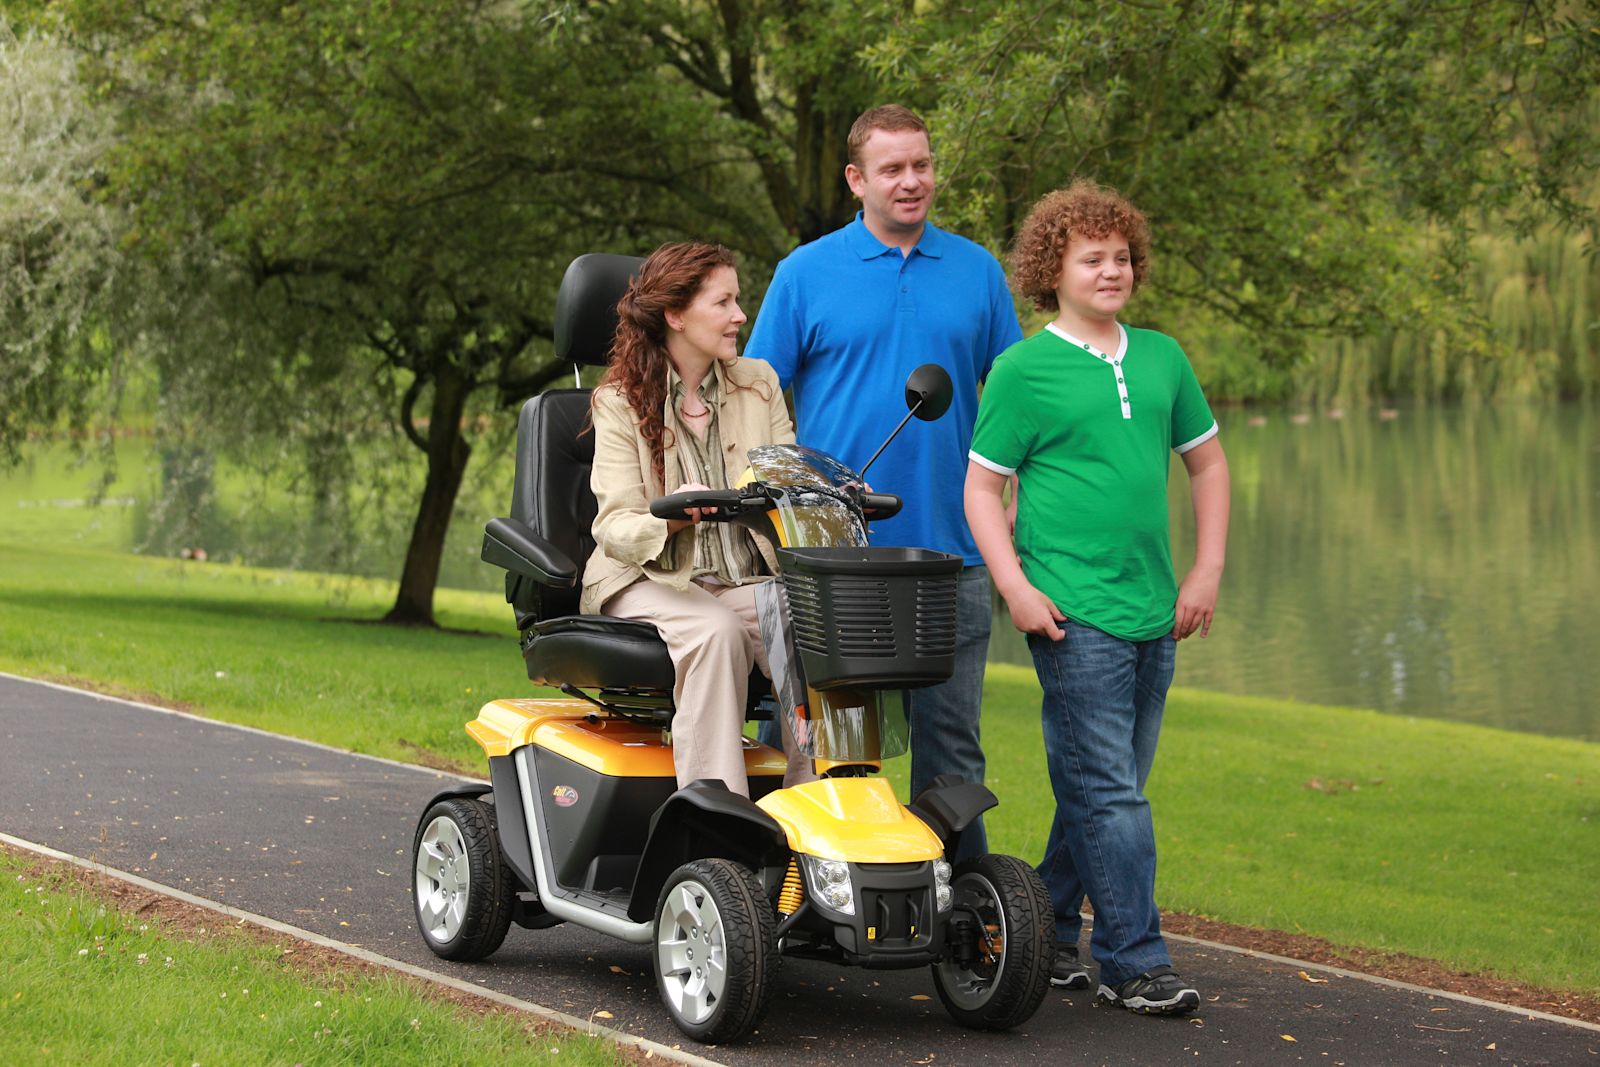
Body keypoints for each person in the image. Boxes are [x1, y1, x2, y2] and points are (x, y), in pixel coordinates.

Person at [964, 181, 1230, 1015]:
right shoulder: (1023, 370)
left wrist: (1206, 570)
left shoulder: (1162, 358)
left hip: (1157, 608)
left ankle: (1042, 923)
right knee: (1112, 792)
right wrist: (1015, 587)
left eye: (1121, 256)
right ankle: (1134, 962)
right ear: (1054, 269)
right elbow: (981, 489)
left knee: (1102, 783)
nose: (1111, 269)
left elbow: (1209, 467)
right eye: (1092, 257)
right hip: (1071, 613)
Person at [745, 105, 1022, 860]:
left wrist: (1011, 520)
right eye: (893, 169)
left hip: (952, 552)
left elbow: (1013, 408)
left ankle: (960, 915)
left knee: (953, 750)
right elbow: (755, 399)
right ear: (856, 179)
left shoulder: (979, 273)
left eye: (922, 165)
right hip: (830, 557)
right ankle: (774, 892)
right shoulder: (804, 273)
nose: (911, 181)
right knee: (803, 737)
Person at [581, 241, 812, 796]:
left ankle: (817, 811)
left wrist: (819, 493)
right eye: (724, 302)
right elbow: (613, 526)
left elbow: (787, 482)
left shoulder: (759, 385)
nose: (740, 316)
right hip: (643, 579)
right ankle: (716, 821)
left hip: (739, 577)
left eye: (739, 300)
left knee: (809, 618)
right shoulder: (617, 401)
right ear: (676, 314)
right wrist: (673, 518)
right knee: (715, 631)